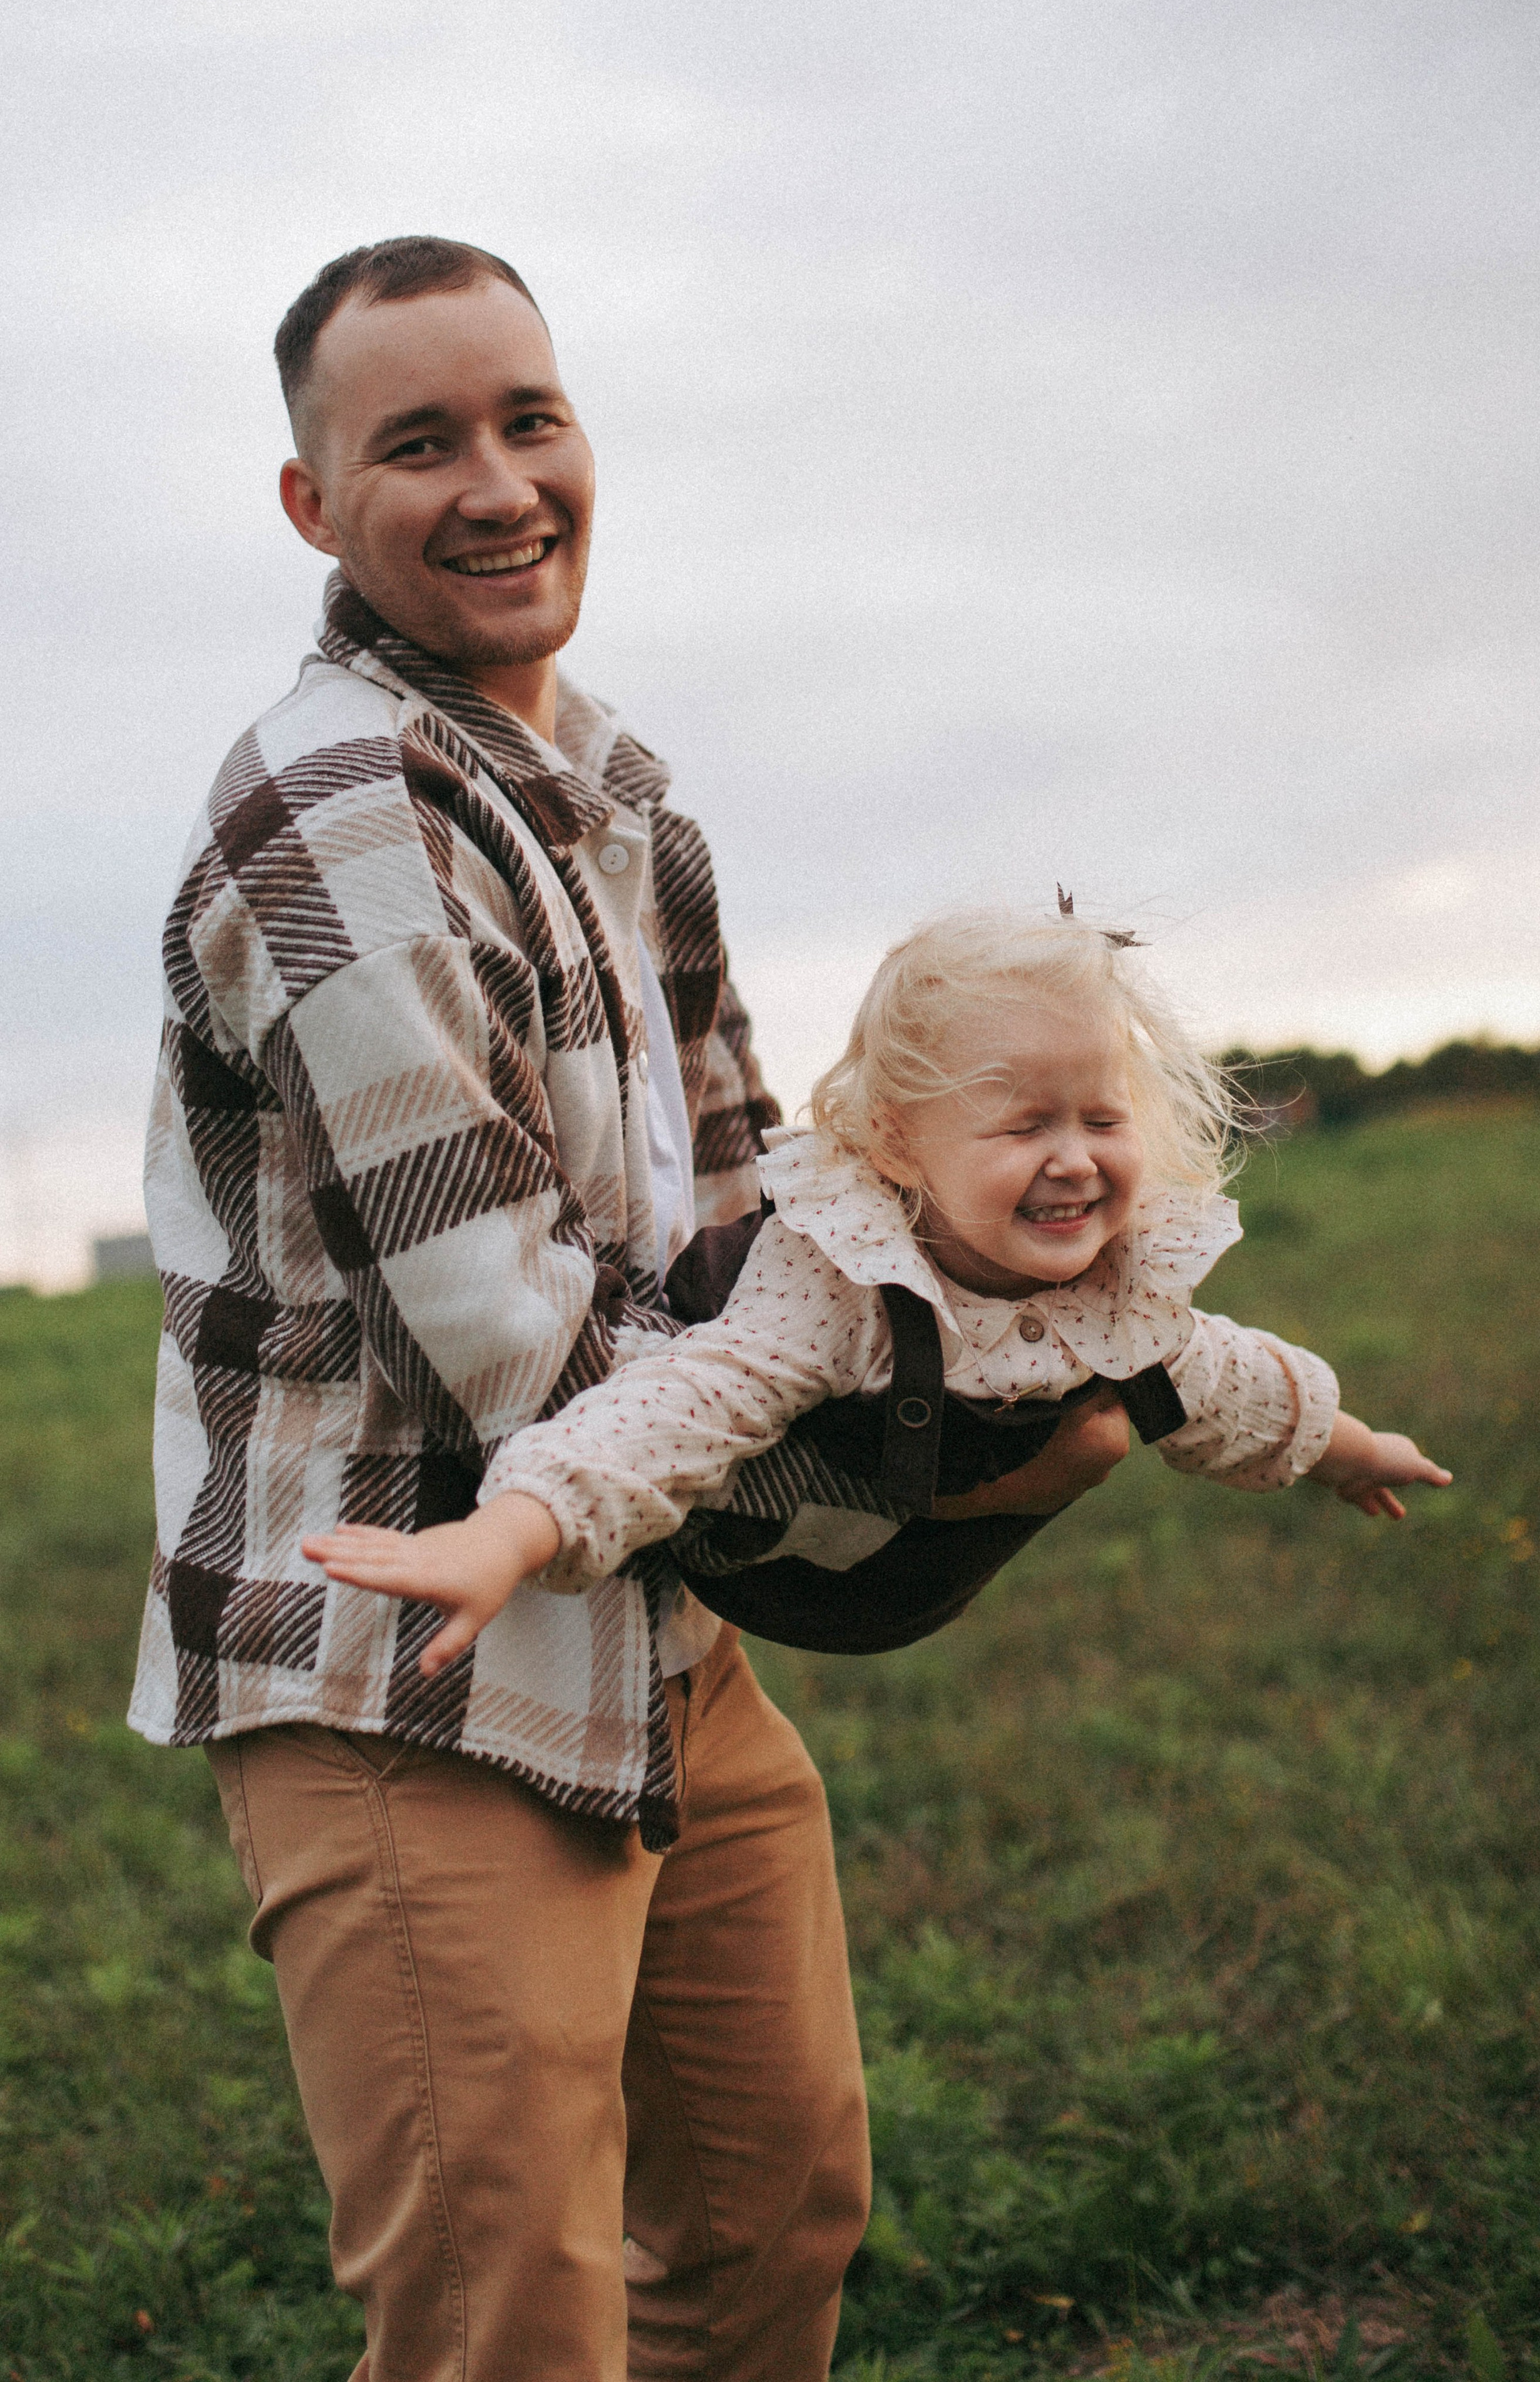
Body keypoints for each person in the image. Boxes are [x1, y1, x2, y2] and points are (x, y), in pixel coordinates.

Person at [128, 237, 1129, 2382]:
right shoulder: (338, 817)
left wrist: (1009, 1327)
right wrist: (941, 1502)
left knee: (773, 2218)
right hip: (416, 1658)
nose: (497, 484)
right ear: (316, 508)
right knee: (514, 2319)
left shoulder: (623, 794)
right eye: (418, 444)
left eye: (530, 419)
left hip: (660, 1626)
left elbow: (769, 1205)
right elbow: (523, 1351)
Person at [302, 902, 1451, 1660]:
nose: (1074, 1157)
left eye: (1103, 1117)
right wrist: (509, 1531)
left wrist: (1353, 1450)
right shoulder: (839, 1281)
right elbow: (677, 1411)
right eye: (1022, 1124)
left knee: (1171, 1378)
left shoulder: (1117, 1283)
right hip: (787, 1567)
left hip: (919, 1578)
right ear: (900, 1147)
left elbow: (1232, 1385)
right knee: (691, 1397)